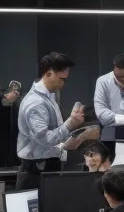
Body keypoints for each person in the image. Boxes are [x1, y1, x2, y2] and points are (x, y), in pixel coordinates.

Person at [17, 52, 94, 191]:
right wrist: (70, 123)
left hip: (45, 163)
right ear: (48, 73)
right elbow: (46, 139)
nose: (63, 83)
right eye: (61, 79)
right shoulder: (36, 102)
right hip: (37, 168)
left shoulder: (48, 96)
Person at [96, 54, 124, 128]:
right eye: (119, 78)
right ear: (114, 68)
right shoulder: (103, 81)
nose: (122, 80)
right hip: (111, 130)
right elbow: (101, 113)